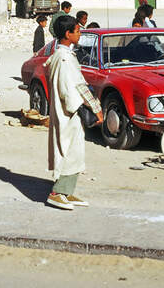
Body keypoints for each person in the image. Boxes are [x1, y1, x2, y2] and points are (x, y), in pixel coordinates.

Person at [45, 15, 103, 210]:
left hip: (68, 111)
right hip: (69, 112)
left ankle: (67, 191)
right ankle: (57, 192)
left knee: (75, 151)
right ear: (67, 34)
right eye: (77, 31)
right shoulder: (63, 58)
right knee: (69, 151)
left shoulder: (64, 55)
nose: (79, 34)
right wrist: (94, 108)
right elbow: (74, 88)